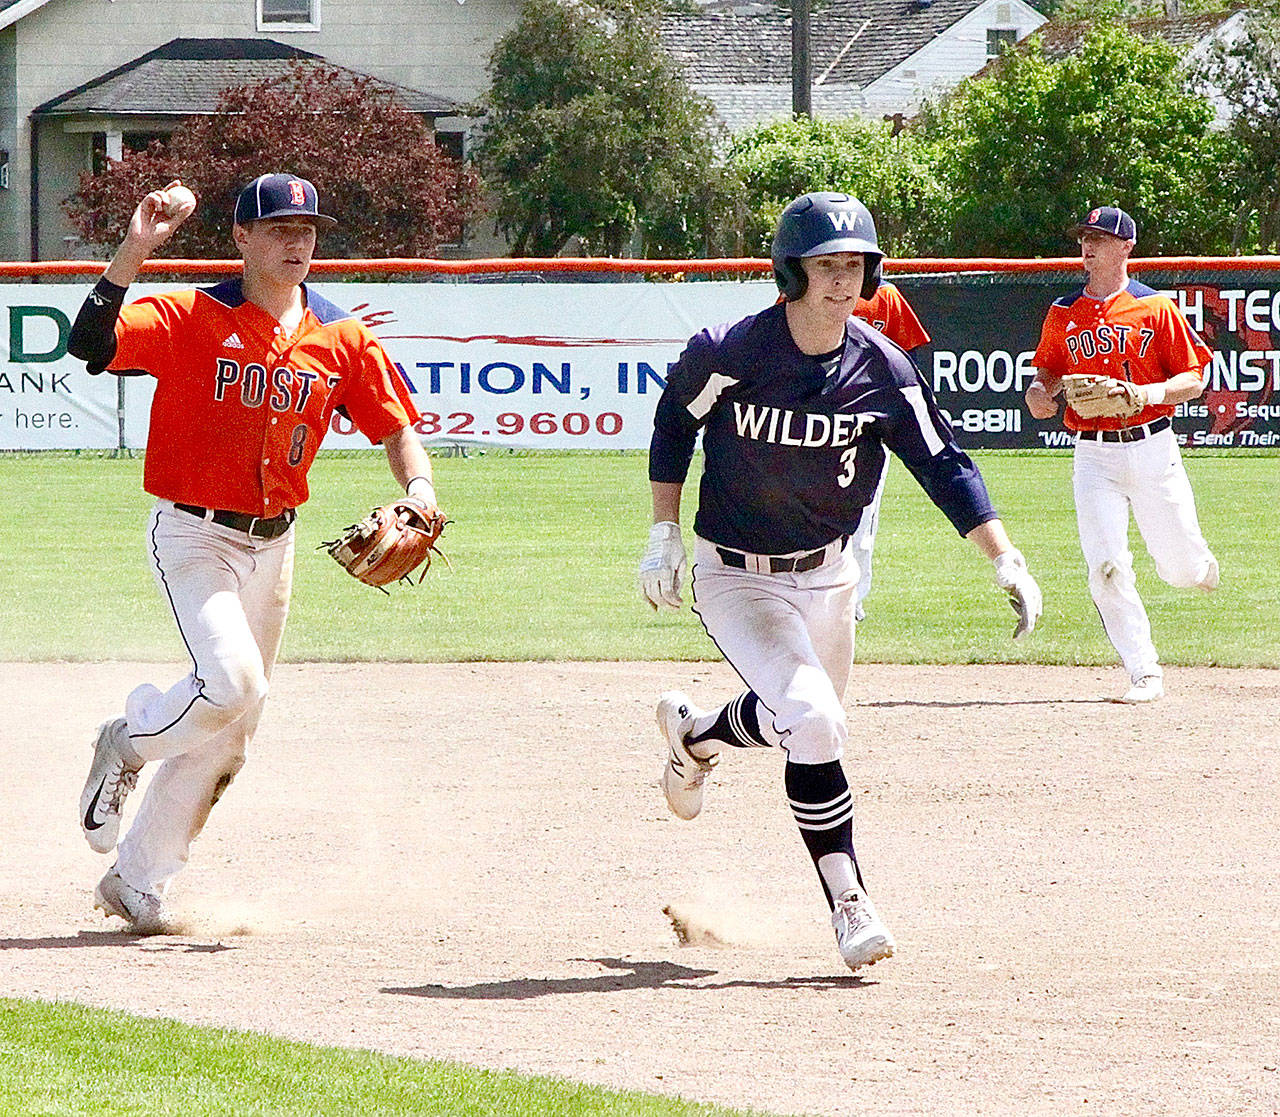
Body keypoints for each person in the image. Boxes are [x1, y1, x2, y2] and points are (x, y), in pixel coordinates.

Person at [637, 192, 1042, 972]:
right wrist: (663, 532)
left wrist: (1003, 553)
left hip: (829, 574)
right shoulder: (732, 350)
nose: (841, 279)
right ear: (791, 271)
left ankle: (695, 737)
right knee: (815, 721)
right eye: (826, 264)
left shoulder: (880, 366)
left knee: (806, 722)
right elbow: (673, 423)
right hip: (737, 574)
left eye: (854, 264)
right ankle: (849, 902)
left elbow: (942, 461)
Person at [68, 174, 437, 933]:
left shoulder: (340, 336)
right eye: (278, 227)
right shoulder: (189, 314)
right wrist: (137, 246)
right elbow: (90, 344)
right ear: (241, 238)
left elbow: (395, 426)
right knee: (231, 680)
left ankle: (139, 879)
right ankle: (128, 739)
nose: (297, 241)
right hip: (195, 533)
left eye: (307, 229)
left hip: (277, 542)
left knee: (234, 729)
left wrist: (422, 489)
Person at [1025, 206, 1218, 704]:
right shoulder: (1063, 312)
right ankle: (1143, 669)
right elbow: (1044, 375)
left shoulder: (1155, 309)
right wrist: (1039, 394)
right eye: (1084, 237)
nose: (1087, 246)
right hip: (1093, 455)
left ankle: (1198, 565)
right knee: (1105, 563)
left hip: (1153, 447)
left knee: (1179, 569)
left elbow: (1194, 380)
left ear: (1125, 247)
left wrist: (1145, 395)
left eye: (1099, 238)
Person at [845, 278, 931, 621]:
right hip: (820, 416)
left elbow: (905, 357)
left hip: (871, 421)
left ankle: (852, 600)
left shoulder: (887, 296)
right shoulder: (807, 286)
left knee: (863, 523)